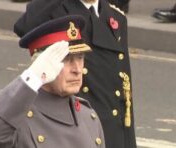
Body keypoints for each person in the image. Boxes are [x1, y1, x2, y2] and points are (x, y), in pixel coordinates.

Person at [13, 0, 137, 148]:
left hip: (111, 132)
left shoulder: (116, 17)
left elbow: (124, 91)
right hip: (77, 129)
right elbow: (23, 27)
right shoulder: (54, 10)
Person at [0, 15, 106, 148]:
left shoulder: (88, 116)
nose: (77, 69)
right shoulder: (16, 115)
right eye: (66, 59)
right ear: (41, 64)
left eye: (80, 57)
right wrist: (33, 77)